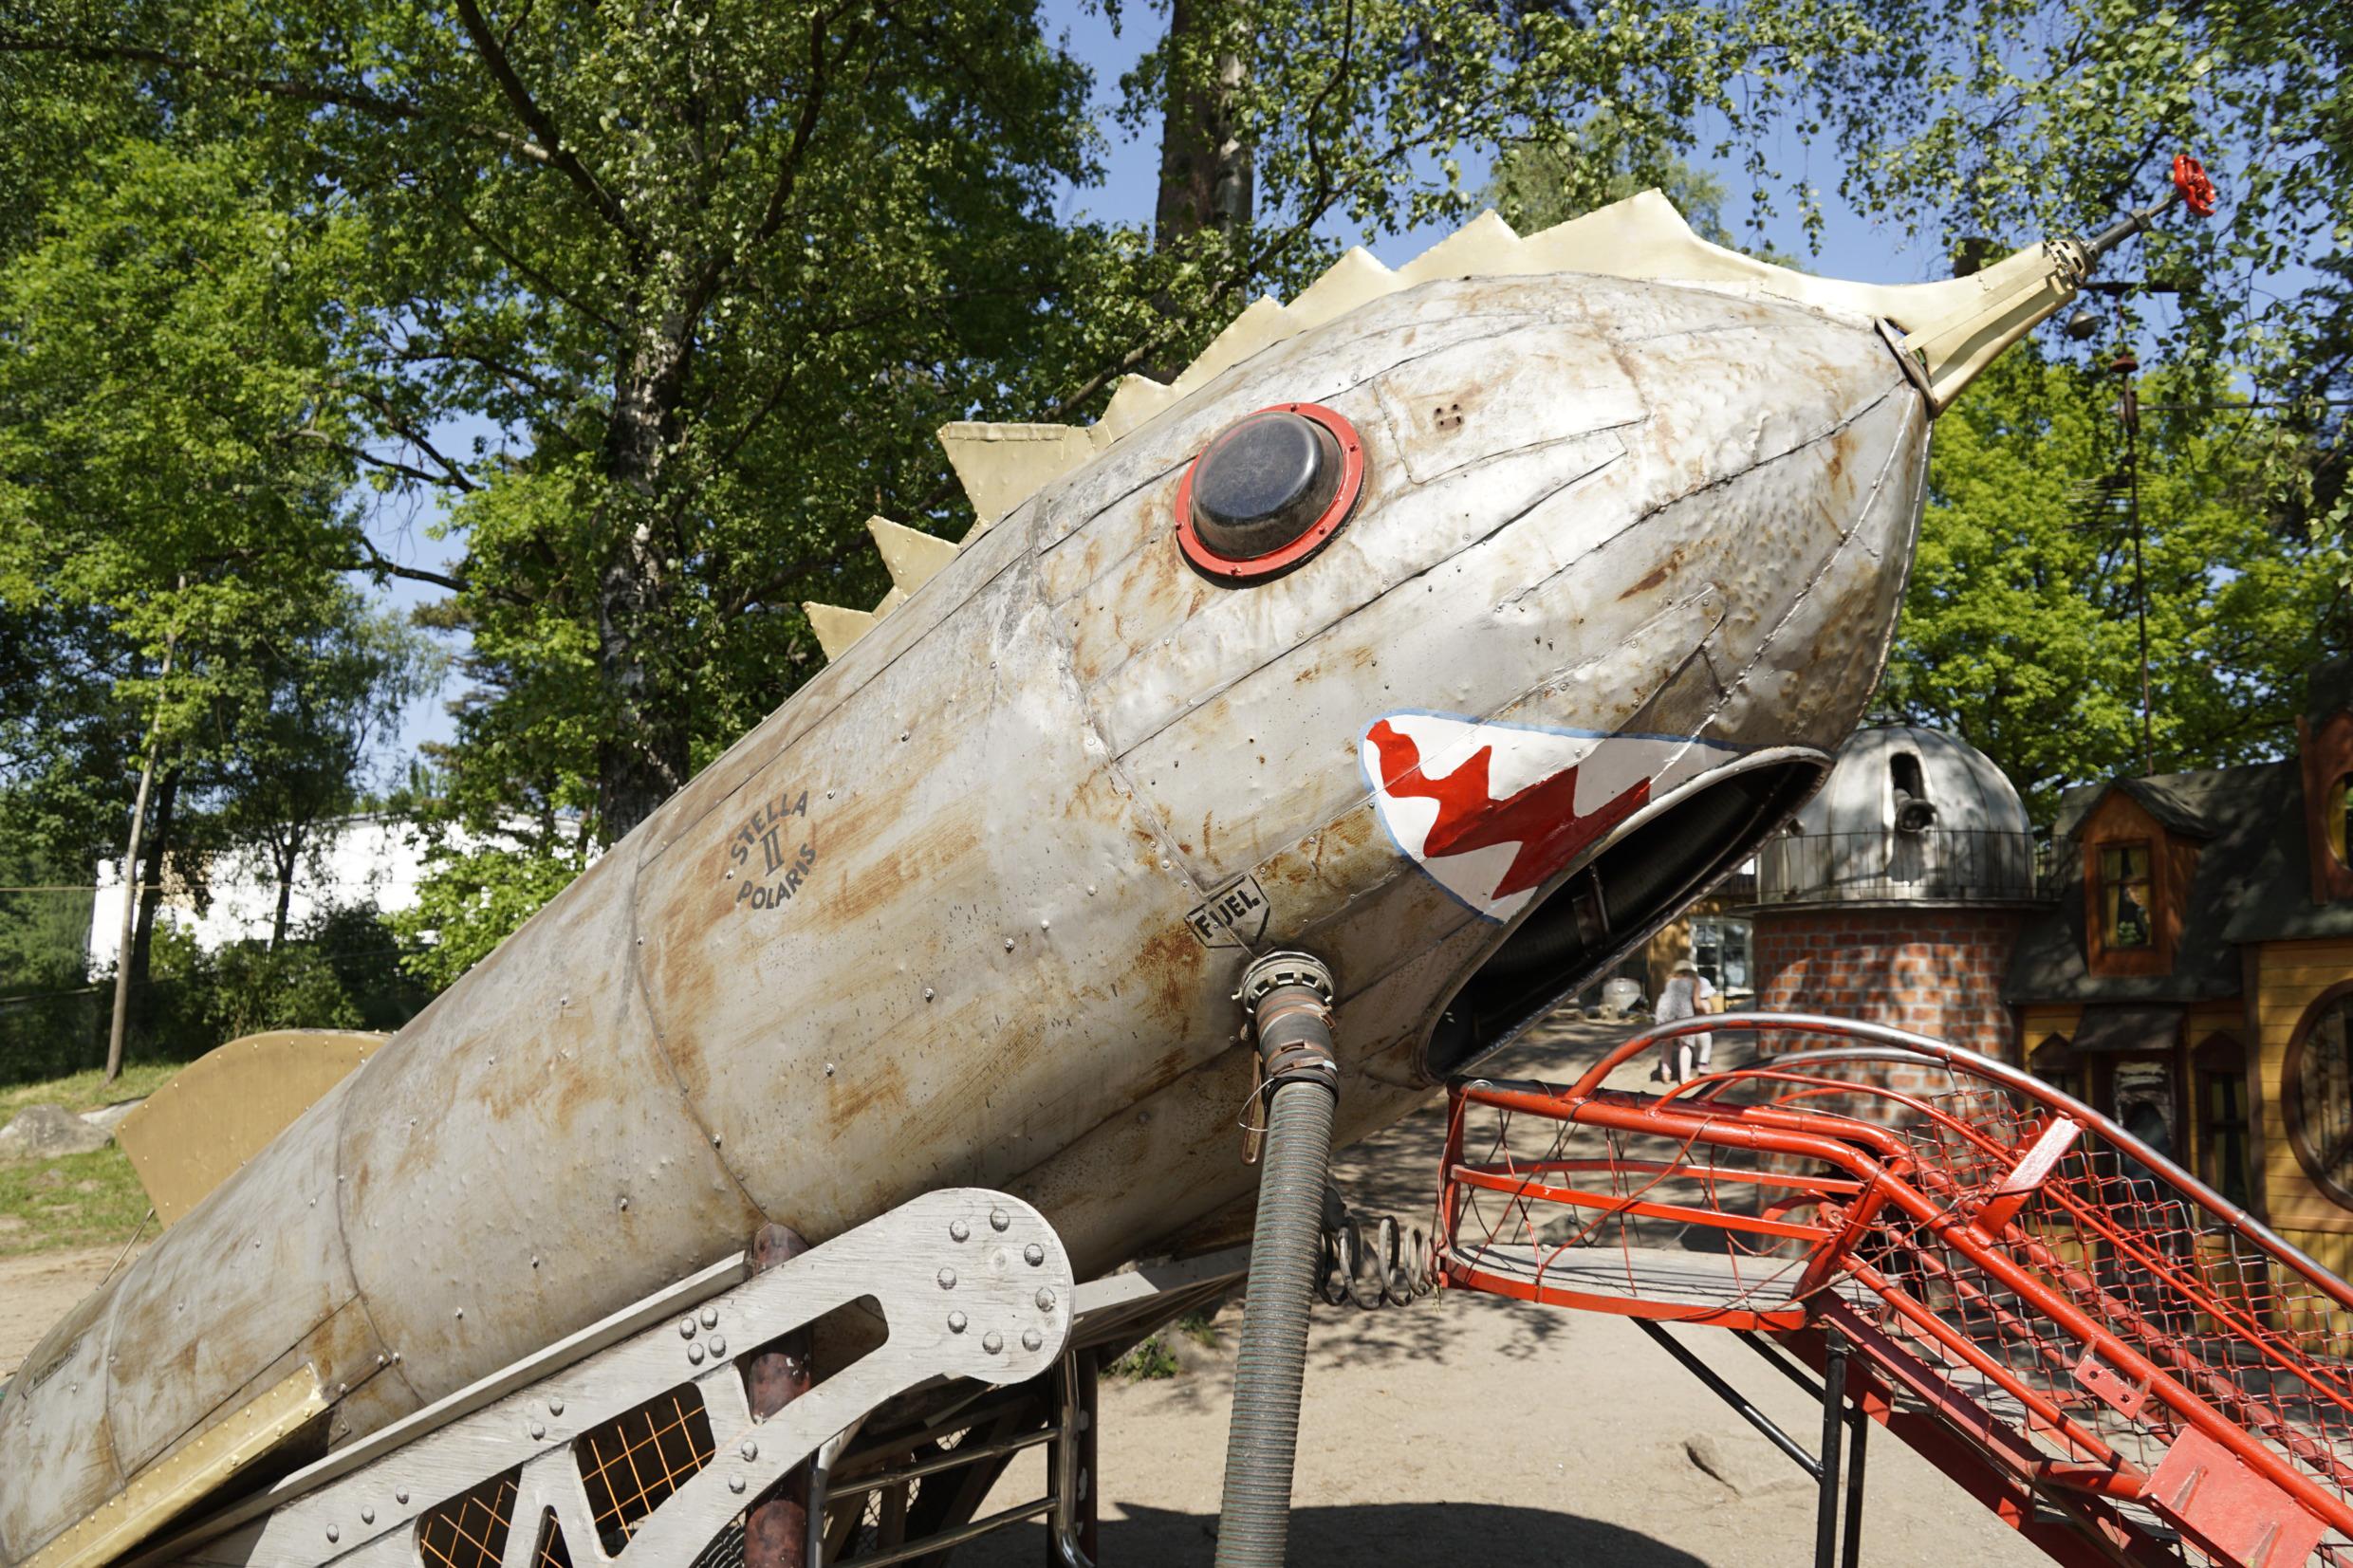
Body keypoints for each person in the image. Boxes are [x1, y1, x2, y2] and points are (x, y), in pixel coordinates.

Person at [1653, 960, 1716, 1084]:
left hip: (1663, 1009)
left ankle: (1666, 1074)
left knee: (1667, 1042)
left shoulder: (1671, 980)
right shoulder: (1694, 981)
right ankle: (1685, 1077)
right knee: (1685, 1044)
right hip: (1682, 1010)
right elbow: (1697, 1003)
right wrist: (1706, 1010)